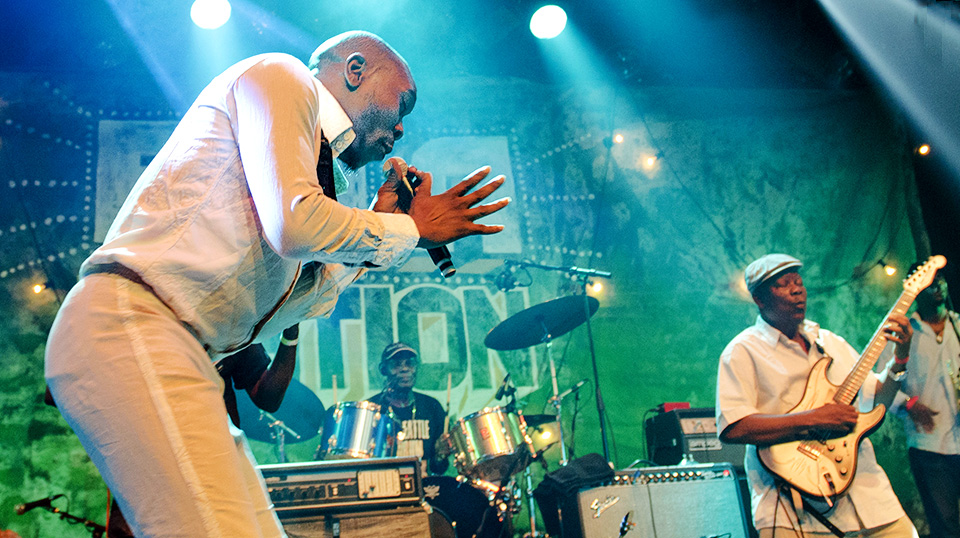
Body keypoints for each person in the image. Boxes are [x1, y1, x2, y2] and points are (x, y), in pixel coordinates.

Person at [45, 31, 509, 537]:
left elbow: (292, 301)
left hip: (181, 348)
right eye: (402, 103)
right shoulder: (282, 76)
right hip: (132, 322)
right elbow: (295, 225)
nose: (400, 128)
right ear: (355, 70)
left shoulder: (322, 171)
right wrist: (411, 228)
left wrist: (385, 228)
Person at [716, 254, 918, 538]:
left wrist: (900, 358)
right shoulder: (743, 351)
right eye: (784, 285)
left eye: (799, 282)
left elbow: (877, 401)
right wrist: (812, 420)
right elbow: (733, 427)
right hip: (792, 508)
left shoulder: (830, 342)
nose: (797, 289)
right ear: (760, 299)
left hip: (871, 497)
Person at [893, 267, 960, 538]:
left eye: (940, 280)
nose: (936, 286)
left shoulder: (958, 324)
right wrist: (908, 404)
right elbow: (883, 386)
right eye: (929, 282)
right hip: (929, 445)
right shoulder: (904, 331)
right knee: (945, 525)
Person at [367, 342, 449, 476]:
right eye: (396, 364)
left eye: (409, 363)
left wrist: (440, 456)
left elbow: (438, 469)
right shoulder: (371, 409)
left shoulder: (431, 407)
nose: (404, 369)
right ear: (384, 369)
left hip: (425, 489)